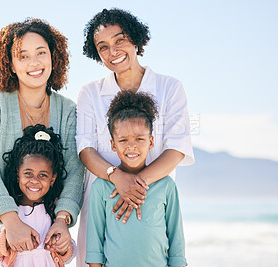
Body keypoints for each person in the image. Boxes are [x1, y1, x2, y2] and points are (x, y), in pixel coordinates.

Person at [0, 18, 84, 267]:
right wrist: (10, 221)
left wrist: (63, 219)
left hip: (39, 227)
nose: (34, 63)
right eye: (23, 56)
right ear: (9, 63)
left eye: (41, 52)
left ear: (53, 56)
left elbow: (75, 169)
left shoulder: (69, 111)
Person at [76, 8, 194, 266]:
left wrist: (134, 186)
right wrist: (116, 178)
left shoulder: (169, 87)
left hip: (153, 203)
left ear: (137, 39)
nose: (113, 51)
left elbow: (177, 148)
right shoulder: (90, 93)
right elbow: (85, 149)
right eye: (103, 46)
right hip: (105, 203)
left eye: (120, 40)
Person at [86, 90, 187, 267]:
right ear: (113, 144)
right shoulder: (100, 187)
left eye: (139, 138)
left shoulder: (166, 185)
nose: (131, 146)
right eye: (123, 140)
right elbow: (95, 244)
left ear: (151, 142)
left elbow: (176, 240)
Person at [0, 125, 77, 267]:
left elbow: (70, 255)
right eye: (28, 173)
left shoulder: (54, 209)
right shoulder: (5, 209)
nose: (34, 180)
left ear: (52, 179)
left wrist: (64, 247)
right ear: (17, 174)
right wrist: (4, 242)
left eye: (43, 175)